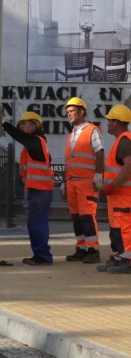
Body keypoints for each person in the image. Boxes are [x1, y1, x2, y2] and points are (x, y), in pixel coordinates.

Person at [2, 111, 54, 265]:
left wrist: (4, 123)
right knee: (36, 223)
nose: (22, 126)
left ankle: (43, 256)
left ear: (34, 124)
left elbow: (20, 136)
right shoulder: (38, 143)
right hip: (39, 189)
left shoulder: (36, 141)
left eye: (24, 123)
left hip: (40, 190)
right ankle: (41, 254)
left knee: (37, 223)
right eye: (21, 124)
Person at [61, 97, 105, 264]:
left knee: (87, 216)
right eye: (68, 112)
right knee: (76, 217)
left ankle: (93, 249)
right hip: (72, 181)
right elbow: (69, 161)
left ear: (82, 112)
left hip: (87, 181)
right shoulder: (71, 135)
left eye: (72, 111)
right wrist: (64, 183)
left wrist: (98, 175)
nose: (69, 115)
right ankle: (81, 248)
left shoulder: (92, 130)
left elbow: (99, 152)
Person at [98, 105, 131, 274]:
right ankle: (119, 257)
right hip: (117, 196)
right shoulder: (121, 140)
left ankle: (128, 261)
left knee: (124, 229)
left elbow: (129, 166)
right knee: (116, 229)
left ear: (116, 123)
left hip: (123, 196)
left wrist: (113, 185)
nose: (107, 124)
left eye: (109, 121)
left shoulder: (125, 140)